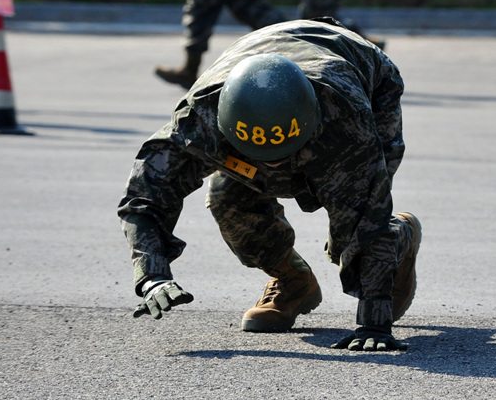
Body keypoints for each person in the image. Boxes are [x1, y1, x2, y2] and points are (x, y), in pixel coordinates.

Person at [120, 19, 421, 351]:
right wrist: (152, 275)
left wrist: (374, 323)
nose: (275, 166)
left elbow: (368, 212)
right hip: (261, 65)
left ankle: (402, 236)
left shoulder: (345, 117)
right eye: (262, 156)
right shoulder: (200, 119)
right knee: (227, 199)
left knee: (350, 239)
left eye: (282, 153)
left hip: (364, 79)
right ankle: (292, 280)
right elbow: (144, 197)